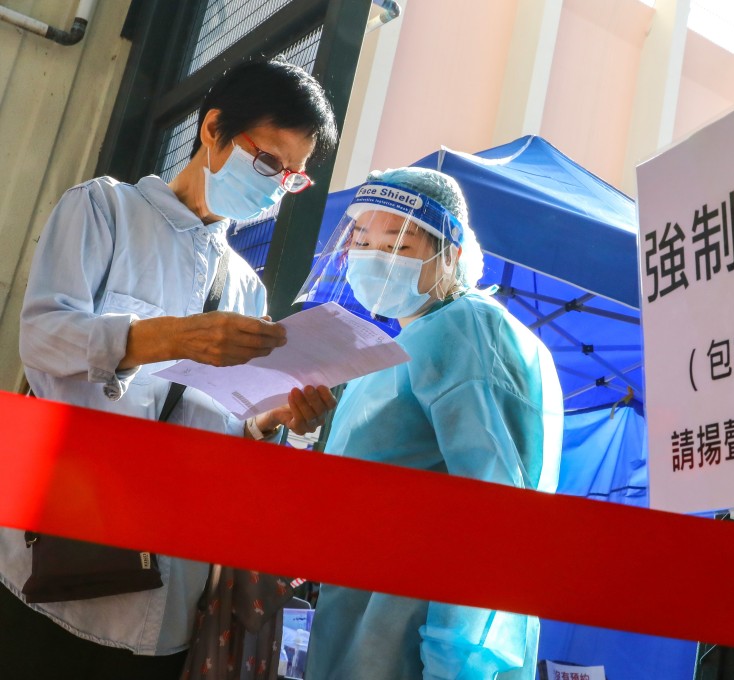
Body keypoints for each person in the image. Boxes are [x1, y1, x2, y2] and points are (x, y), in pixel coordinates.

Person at [0, 58, 338, 680]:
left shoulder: (247, 287)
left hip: (169, 594)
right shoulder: (105, 209)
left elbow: (226, 428)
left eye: (291, 176)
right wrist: (172, 338)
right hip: (55, 563)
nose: (274, 187)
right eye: (269, 162)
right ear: (212, 129)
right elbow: (43, 338)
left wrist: (276, 421)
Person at [301, 167, 563, 680]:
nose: (375, 258)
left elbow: (496, 508)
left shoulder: (467, 329)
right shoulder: (405, 345)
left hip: (412, 640)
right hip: (359, 620)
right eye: (362, 242)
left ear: (451, 255)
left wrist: (457, 658)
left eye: (398, 246)